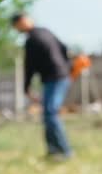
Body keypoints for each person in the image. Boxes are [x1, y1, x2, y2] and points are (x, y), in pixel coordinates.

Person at [10, 12, 73, 159]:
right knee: (47, 114)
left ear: (22, 22)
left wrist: (26, 87)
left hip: (57, 77)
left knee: (50, 113)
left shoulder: (33, 39)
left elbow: (29, 67)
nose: (18, 28)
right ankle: (53, 151)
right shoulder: (44, 32)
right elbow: (64, 49)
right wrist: (67, 67)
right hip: (55, 77)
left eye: (17, 25)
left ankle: (65, 151)